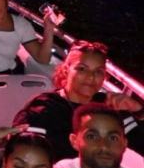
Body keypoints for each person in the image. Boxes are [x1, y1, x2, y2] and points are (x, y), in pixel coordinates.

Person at [15, 41, 144, 161]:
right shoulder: (44, 107)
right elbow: (26, 153)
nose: (90, 77)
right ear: (66, 71)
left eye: (98, 71)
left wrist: (139, 111)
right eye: (82, 69)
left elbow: (140, 146)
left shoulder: (110, 106)